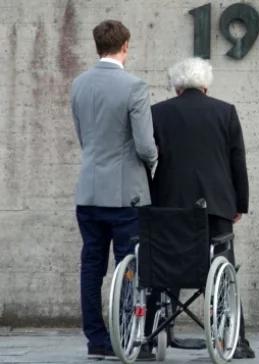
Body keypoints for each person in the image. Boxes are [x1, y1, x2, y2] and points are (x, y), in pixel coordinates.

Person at [149, 58, 254, 359]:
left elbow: (147, 158)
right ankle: (238, 341)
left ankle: (152, 333)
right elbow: (238, 162)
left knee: (164, 267)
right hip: (217, 204)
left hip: (170, 203)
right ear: (206, 85)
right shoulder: (225, 112)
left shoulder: (158, 112)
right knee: (225, 268)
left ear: (177, 86)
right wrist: (239, 204)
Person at [70, 20, 158, 360]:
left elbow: (84, 138)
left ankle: (96, 340)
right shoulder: (134, 86)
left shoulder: (79, 84)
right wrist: (153, 162)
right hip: (125, 194)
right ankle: (124, 335)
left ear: (97, 46)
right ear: (125, 46)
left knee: (91, 267)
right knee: (130, 267)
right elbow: (145, 145)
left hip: (89, 191)